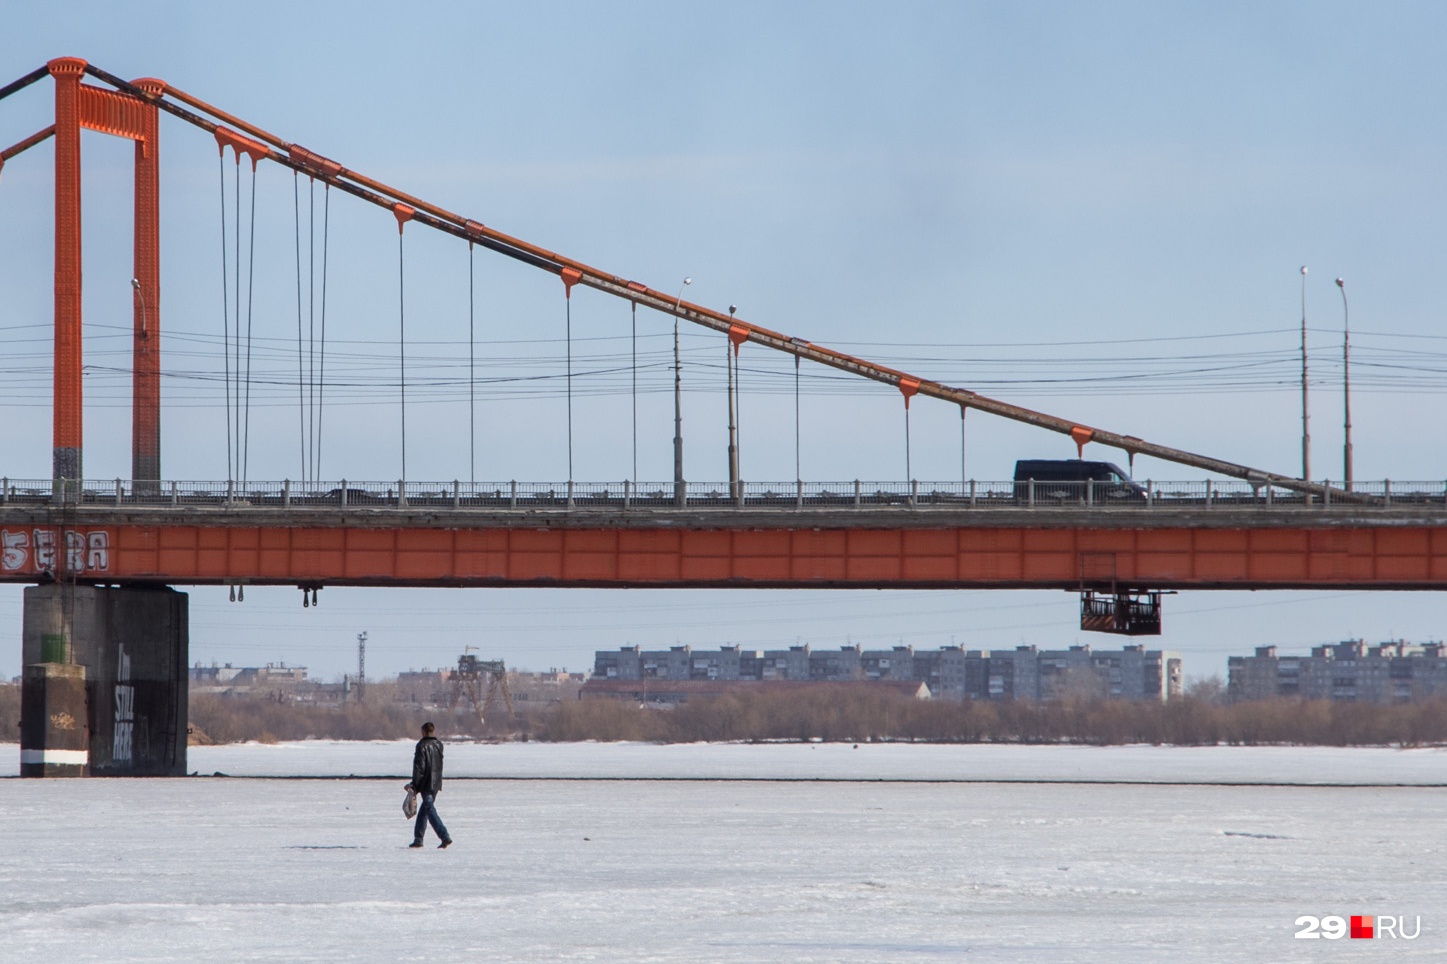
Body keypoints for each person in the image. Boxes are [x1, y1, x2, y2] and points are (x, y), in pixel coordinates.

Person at [405, 721, 452, 849]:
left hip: (426, 784)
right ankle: (418, 839)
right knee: (424, 811)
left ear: (423, 732)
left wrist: (414, 785)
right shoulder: (439, 745)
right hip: (436, 783)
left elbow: (419, 767)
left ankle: (445, 836)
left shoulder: (421, 746)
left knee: (429, 810)